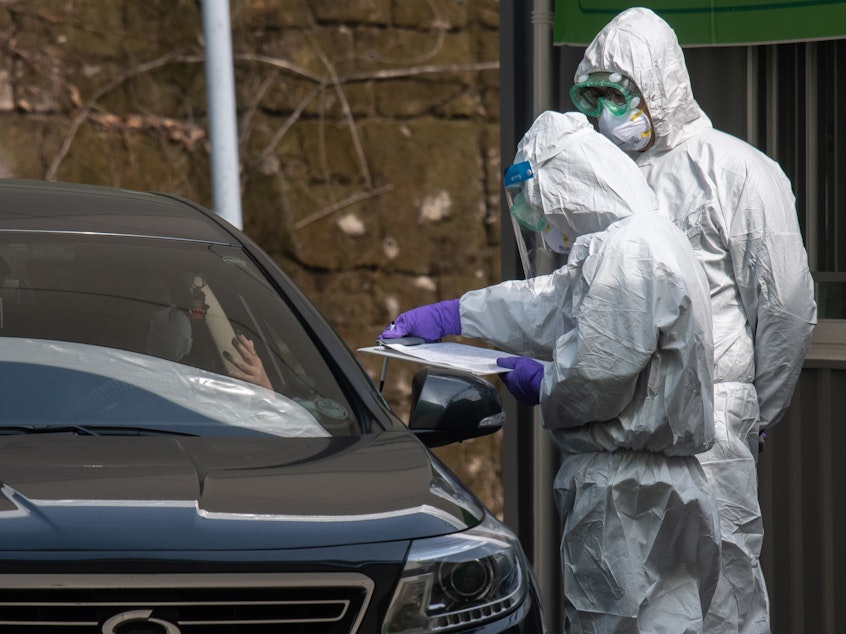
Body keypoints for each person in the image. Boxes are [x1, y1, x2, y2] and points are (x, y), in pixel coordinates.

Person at [380, 110, 721, 633]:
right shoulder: (650, 239)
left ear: (568, 184)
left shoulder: (627, 251)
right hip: (669, 484)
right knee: (673, 623)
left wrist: (544, 382)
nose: (549, 226)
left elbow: (599, 375)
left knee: (609, 623)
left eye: (545, 208)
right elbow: (550, 304)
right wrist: (458, 314)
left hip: (622, 492)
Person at [571, 8, 817, 633]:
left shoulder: (736, 171)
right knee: (620, 601)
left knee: (721, 598)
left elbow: (785, 303)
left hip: (710, 425)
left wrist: (752, 406)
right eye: (592, 96)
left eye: (617, 94)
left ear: (659, 87)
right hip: (621, 430)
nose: (604, 112)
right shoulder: (607, 183)